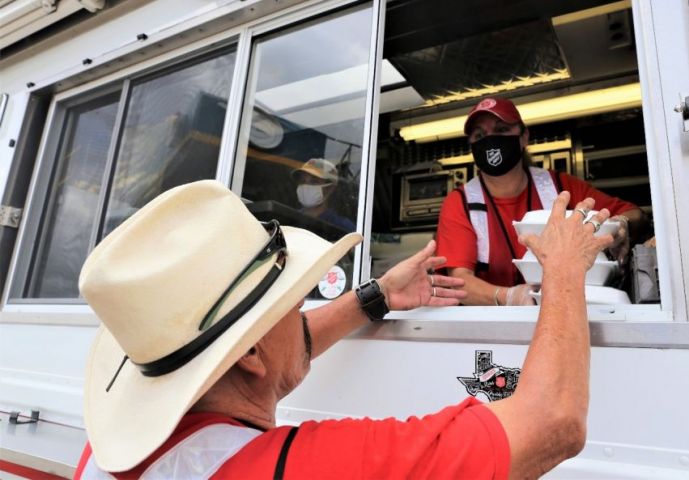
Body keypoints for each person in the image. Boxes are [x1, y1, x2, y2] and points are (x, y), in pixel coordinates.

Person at [74, 180, 612, 479]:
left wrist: (373, 298)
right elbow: (553, 422)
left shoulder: (103, 454)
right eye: (290, 303)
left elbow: (276, 348)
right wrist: (564, 269)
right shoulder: (308, 468)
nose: (303, 309)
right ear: (251, 354)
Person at [436, 96, 648, 306]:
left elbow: (635, 213)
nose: (491, 140)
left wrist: (622, 225)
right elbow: (458, 282)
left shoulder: (559, 186)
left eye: (501, 130)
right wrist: (509, 297)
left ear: (523, 137)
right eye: (480, 134)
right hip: (492, 327)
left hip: (565, 311)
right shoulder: (461, 202)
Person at [291, 157, 355, 233]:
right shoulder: (289, 217)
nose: (306, 186)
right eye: (302, 181)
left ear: (330, 188)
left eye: (314, 181)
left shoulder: (342, 226)